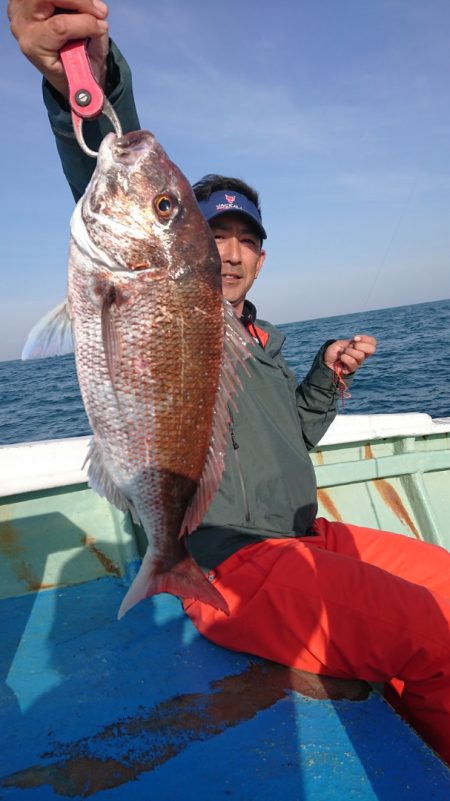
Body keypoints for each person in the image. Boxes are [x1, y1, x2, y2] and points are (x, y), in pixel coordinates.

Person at [8, 0, 450, 765]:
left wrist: (324, 378)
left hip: (305, 537)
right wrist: (83, 76)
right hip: (229, 561)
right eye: (218, 236)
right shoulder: (180, 314)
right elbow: (110, 170)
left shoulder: (261, 344)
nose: (236, 253)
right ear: (195, 255)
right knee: (434, 635)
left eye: (250, 241)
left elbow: (294, 438)